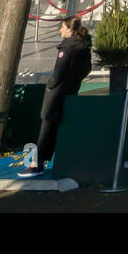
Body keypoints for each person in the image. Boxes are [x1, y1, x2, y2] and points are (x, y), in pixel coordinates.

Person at [18, 16, 92, 177]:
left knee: (47, 127)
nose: (60, 30)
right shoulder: (84, 46)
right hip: (72, 88)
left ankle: (36, 164)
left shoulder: (67, 48)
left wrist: (51, 85)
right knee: (59, 127)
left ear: (69, 29)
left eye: (62, 27)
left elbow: (58, 73)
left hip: (58, 92)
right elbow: (87, 68)